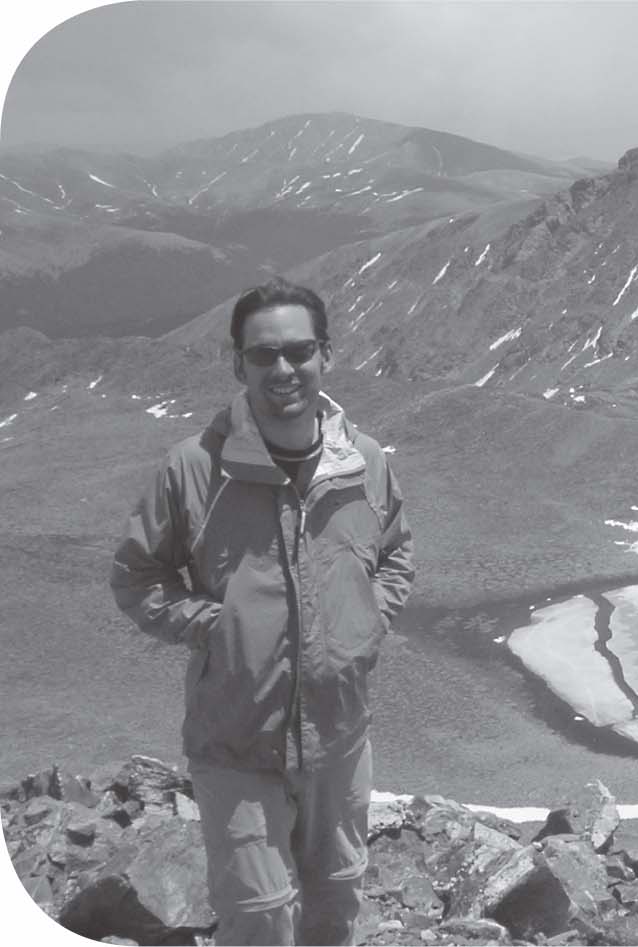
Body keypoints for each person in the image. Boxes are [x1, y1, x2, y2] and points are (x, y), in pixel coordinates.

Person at [110, 277, 415, 945]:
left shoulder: (361, 462)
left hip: (339, 738)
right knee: (259, 915)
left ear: (325, 356)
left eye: (299, 351)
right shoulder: (196, 469)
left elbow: (394, 553)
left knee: (335, 904)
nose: (283, 369)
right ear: (238, 363)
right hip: (237, 741)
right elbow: (137, 574)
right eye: (263, 354)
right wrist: (210, 626)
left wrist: (365, 623)